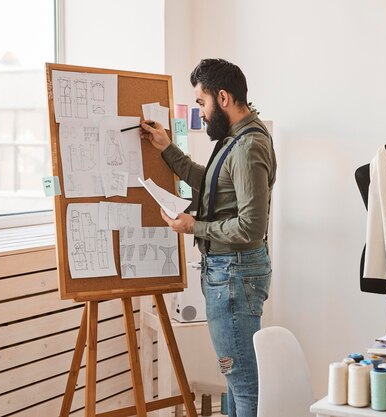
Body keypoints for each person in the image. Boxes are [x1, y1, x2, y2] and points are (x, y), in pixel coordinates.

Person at [140, 58, 276, 417]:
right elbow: (212, 183)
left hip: (233, 273)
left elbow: (250, 226)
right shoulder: (236, 139)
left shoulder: (247, 147)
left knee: (244, 385)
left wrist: (193, 227)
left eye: (202, 103)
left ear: (223, 97)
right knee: (236, 381)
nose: (200, 112)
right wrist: (167, 148)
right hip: (229, 273)